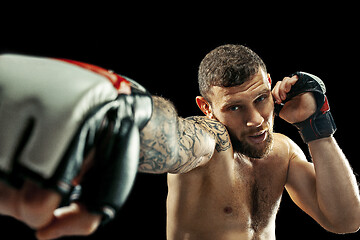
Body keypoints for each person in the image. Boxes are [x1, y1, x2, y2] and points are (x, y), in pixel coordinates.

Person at [0, 44, 359, 240]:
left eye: (261, 99)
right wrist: (131, 113)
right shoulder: (211, 140)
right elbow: (175, 140)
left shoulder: (282, 151)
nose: (254, 119)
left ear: (269, 84)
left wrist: (315, 127)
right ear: (207, 108)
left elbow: (345, 220)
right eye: (234, 107)